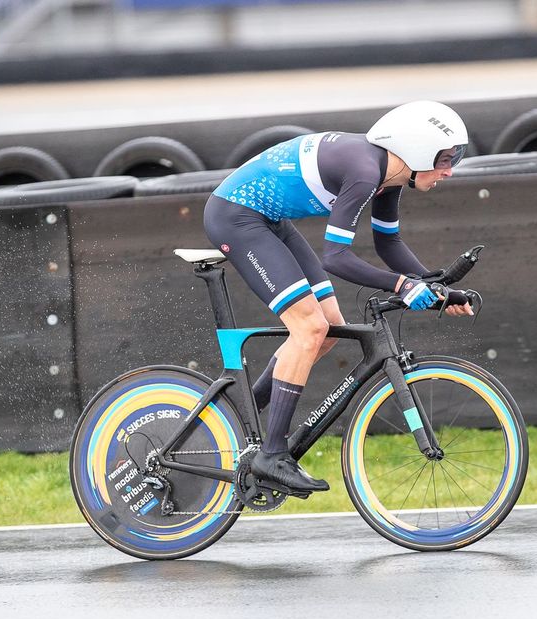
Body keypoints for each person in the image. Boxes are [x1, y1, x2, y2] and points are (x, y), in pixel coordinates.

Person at [203, 100, 475, 493]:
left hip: (268, 221)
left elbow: (390, 244)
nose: (450, 170)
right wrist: (402, 285)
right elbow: (336, 258)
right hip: (236, 218)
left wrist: (438, 289)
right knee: (309, 328)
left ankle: (233, 418)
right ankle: (271, 456)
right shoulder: (366, 172)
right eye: (446, 158)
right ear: (415, 151)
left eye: (456, 158)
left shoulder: (389, 177)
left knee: (329, 331)